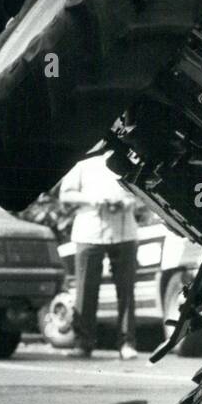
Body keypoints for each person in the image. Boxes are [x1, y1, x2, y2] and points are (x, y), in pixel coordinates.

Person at [57, 153, 142, 359]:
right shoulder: (83, 162)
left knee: (126, 289)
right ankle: (83, 342)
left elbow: (142, 191)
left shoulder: (132, 158)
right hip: (90, 230)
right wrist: (94, 199)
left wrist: (129, 201)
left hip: (124, 230)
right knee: (86, 288)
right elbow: (66, 194)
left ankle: (126, 343)